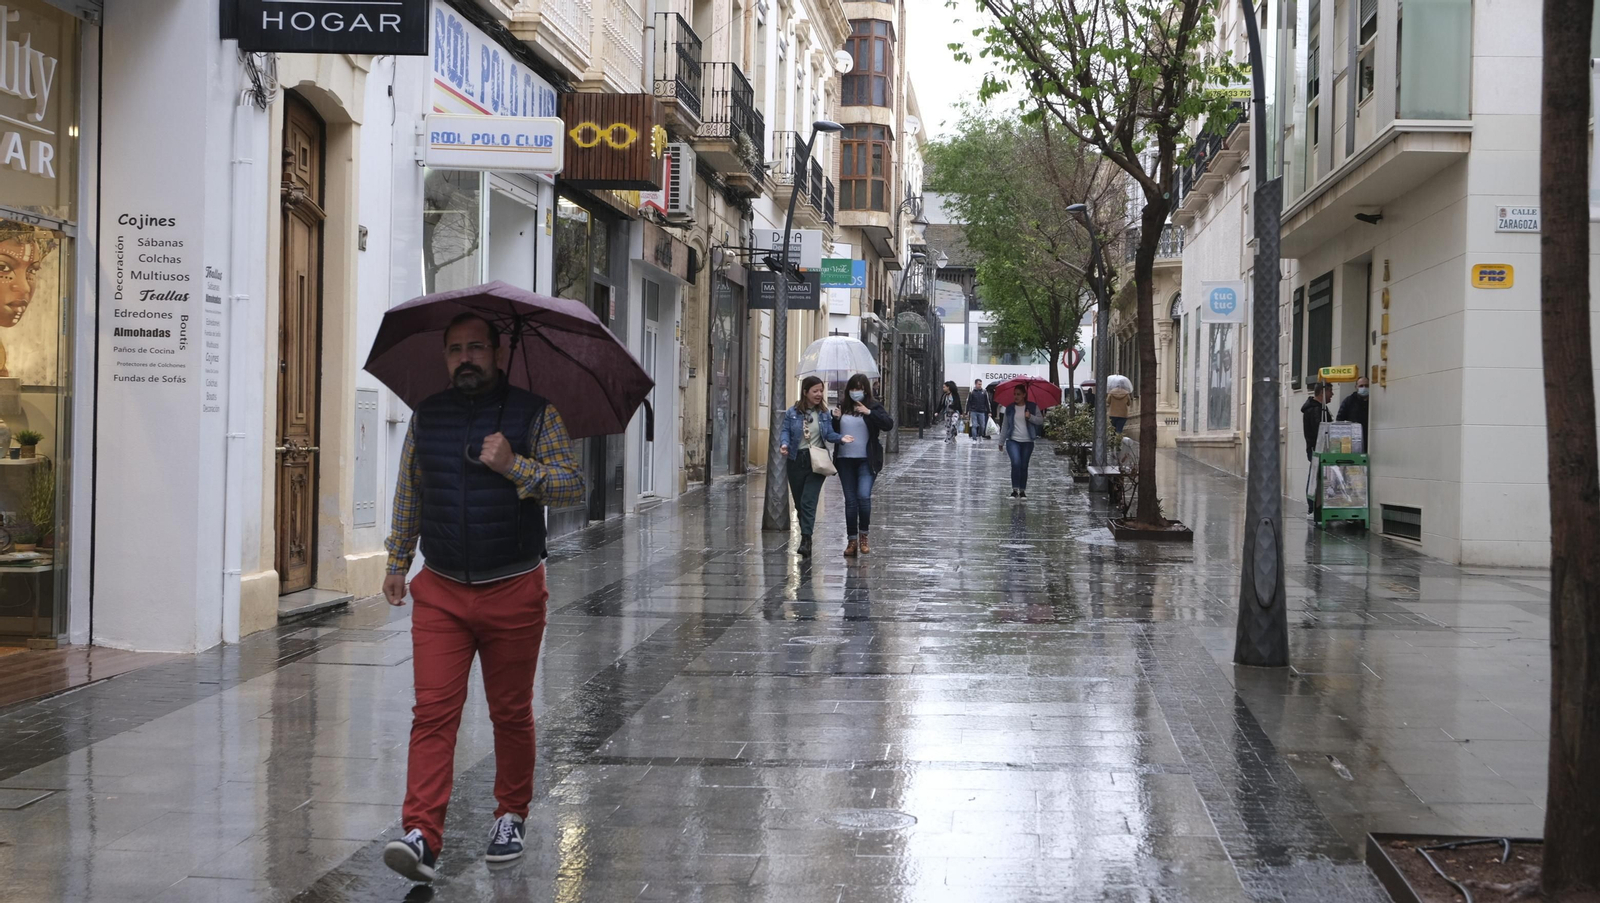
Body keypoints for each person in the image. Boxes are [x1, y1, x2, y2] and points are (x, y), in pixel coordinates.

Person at [381, 313, 585, 883]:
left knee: (510, 712)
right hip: (441, 590)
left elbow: (572, 486)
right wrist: (398, 560)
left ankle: (510, 815)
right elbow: (410, 491)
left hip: (513, 587)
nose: (464, 358)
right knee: (432, 713)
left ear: (498, 352)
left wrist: (513, 465)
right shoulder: (428, 415)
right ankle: (421, 834)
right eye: (455, 349)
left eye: (475, 347)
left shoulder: (535, 414)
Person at [779, 375, 852, 557]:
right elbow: (785, 431)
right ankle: (806, 533)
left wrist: (841, 438)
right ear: (805, 392)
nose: (819, 394)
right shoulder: (792, 412)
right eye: (815, 391)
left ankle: (806, 539)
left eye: (821, 391)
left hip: (817, 461)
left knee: (808, 501)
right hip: (796, 460)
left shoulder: (824, 414)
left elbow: (829, 435)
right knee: (799, 503)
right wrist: (784, 444)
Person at [832, 373, 894, 556]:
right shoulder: (842, 406)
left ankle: (864, 536)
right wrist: (835, 419)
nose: (855, 392)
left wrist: (869, 413)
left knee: (863, 496)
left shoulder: (873, 406)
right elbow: (832, 433)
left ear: (866, 390)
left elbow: (888, 424)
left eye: (859, 388)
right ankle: (851, 541)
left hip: (867, 460)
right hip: (845, 460)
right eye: (852, 388)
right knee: (850, 501)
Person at [996, 384, 1045, 499]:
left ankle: (1022, 491)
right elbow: (1005, 425)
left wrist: (1030, 417)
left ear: (1024, 395)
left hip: (1028, 441)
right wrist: (1001, 441)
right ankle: (1014, 490)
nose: (1016, 396)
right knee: (1016, 463)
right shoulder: (1009, 408)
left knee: (1024, 465)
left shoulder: (1032, 407)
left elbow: (1040, 421)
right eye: (1014, 394)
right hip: (1013, 440)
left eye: (1018, 394)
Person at [1302, 382, 1333, 515]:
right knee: (1314, 477)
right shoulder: (1317, 410)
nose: (1332, 394)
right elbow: (1319, 431)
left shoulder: (1318, 409)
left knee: (1315, 476)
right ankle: (1312, 508)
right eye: (1330, 391)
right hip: (1317, 448)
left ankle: (1314, 507)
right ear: (1322, 392)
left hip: (1314, 448)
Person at [1337, 376, 1369, 446]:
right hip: (1353, 439)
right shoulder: (1349, 401)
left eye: (1366, 385)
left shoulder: (1373, 401)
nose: (1364, 388)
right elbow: (1340, 420)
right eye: (1361, 386)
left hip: (1369, 438)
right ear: (1356, 387)